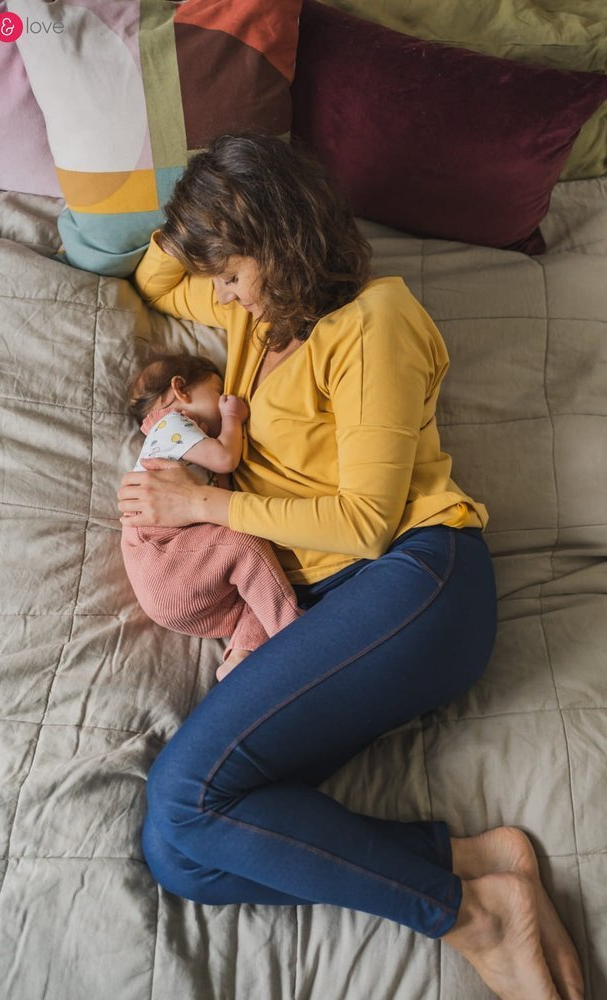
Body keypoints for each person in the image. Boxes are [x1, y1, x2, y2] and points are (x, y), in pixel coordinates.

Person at [118, 133, 584, 1000]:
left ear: (280, 242)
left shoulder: (375, 322)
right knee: (181, 854)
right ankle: (475, 863)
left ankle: (473, 917)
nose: (219, 295)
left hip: (416, 579)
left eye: (231, 271)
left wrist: (201, 507)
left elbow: (366, 524)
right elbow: (155, 278)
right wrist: (202, 192)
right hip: (330, 606)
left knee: (185, 797)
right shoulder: (252, 320)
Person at [122, 351, 302, 681]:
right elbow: (225, 459)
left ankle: (238, 658)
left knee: (261, 594)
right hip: (163, 557)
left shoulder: (182, 442)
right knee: (246, 547)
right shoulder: (171, 424)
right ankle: (296, 634)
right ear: (181, 389)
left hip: (180, 588)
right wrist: (232, 418)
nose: (224, 399)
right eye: (218, 392)